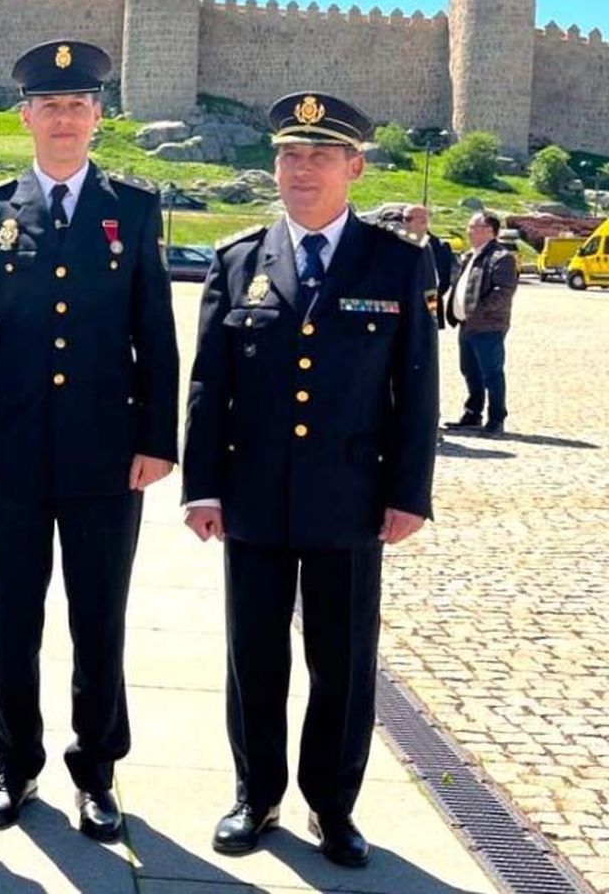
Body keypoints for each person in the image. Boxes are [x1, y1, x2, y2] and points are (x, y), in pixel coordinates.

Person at [181, 91, 439, 869]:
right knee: (254, 654)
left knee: (344, 660)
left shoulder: (395, 261)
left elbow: (416, 386)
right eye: (291, 154)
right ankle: (255, 793)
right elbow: (208, 387)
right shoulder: (238, 259)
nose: (302, 169)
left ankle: (333, 805)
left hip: (350, 496)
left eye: (321, 155)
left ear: (354, 166)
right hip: (254, 496)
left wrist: (408, 491)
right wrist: (202, 486)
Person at [0, 40, 178, 838]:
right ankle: (15, 765)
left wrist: (158, 438)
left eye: (79, 104)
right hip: (7, 458)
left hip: (106, 456)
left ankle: (98, 771)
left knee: (98, 618)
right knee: (11, 616)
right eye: (51, 105)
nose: (65, 117)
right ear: (26, 117)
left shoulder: (134, 210)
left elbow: (157, 332)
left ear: (97, 117)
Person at [445, 210, 516, 436]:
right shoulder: (470, 256)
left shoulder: (501, 257)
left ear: (489, 230)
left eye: (473, 226)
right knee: (470, 371)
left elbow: (502, 293)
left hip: (488, 326)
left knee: (491, 373)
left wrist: (476, 312)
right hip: (467, 325)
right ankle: (473, 413)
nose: (469, 230)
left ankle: (496, 419)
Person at [403, 204, 454, 329]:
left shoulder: (440, 247)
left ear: (424, 222)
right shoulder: (398, 243)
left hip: (429, 306)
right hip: (403, 308)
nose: (404, 222)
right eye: (403, 218)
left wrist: (426, 301)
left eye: (408, 219)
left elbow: (443, 282)